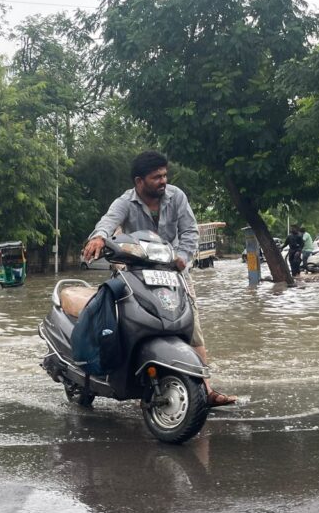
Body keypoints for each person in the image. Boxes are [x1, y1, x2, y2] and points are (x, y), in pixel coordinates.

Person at [82, 150, 237, 407]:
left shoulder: (177, 196)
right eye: (156, 177)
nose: (163, 181)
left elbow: (189, 231)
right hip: (135, 273)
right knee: (118, 320)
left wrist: (183, 257)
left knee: (191, 327)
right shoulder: (125, 202)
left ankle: (206, 389)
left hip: (175, 273)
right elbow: (108, 221)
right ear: (139, 181)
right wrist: (98, 237)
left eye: (165, 175)